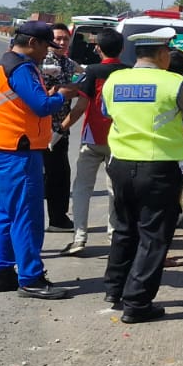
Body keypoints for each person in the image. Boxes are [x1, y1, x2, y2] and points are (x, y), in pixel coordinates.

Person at [100, 27, 183, 324]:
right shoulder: (171, 83)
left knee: (125, 227)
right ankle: (137, 302)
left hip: (120, 164)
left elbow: (107, 111)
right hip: (158, 168)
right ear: (163, 54)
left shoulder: (115, 80)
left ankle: (114, 289)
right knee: (153, 235)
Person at [0, 21, 80, 299]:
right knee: (27, 216)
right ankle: (31, 278)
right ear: (33, 43)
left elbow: (19, 103)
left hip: (2, 147)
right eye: (45, 47)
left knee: (7, 212)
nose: (46, 53)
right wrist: (61, 95)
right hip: (20, 150)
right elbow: (41, 107)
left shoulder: (0, 65)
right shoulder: (23, 68)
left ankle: (2, 273)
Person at [61, 26, 125, 256]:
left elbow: (80, 107)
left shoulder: (92, 71)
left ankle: (79, 237)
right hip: (120, 140)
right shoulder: (129, 73)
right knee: (114, 190)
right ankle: (114, 236)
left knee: (82, 188)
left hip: (92, 139)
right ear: (123, 48)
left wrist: (59, 131)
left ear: (98, 48)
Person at [42, 23, 78, 231]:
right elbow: (42, 93)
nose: (62, 42)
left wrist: (71, 88)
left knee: (60, 175)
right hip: (43, 129)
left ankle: (58, 219)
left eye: (66, 38)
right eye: (58, 38)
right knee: (41, 177)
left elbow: (81, 79)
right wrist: (63, 91)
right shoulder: (43, 62)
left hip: (61, 128)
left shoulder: (67, 63)